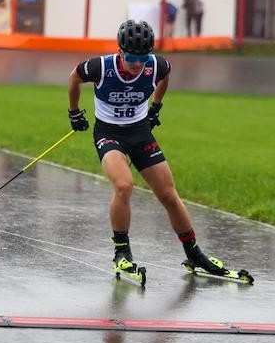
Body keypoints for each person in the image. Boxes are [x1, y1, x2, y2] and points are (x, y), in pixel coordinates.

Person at [67, 19, 251, 285]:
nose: (137, 64)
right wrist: (74, 112)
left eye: (142, 58)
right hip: (109, 133)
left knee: (168, 195)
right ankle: (122, 252)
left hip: (140, 132)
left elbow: (164, 78)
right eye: (131, 58)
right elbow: (74, 77)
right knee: (124, 185)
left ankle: (194, 253)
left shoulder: (157, 65)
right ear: (120, 51)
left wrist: (155, 107)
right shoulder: (100, 67)